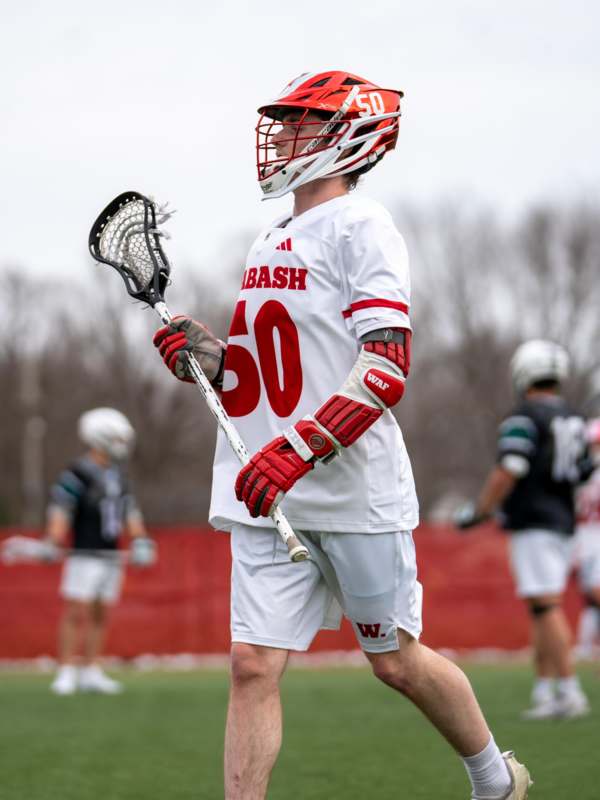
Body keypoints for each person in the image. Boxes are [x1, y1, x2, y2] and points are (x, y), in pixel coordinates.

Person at [154, 71, 531, 799]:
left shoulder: (364, 225)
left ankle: (495, 780)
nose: (281, 137)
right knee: (251, 664)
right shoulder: (271, 235)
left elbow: (384, 366)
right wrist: (210, 358)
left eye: (299, 122)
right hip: (267, 491)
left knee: (395, 662)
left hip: (349, 488)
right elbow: (266, 377)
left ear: (347, 137)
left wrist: (296, 452)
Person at [455, 340, 593, 719]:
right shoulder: (574, 417)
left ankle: (569, 691)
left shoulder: (525, 417)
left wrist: (481, 510)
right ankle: (545, 691)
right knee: (540, 607)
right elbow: (584, 470)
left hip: (535, 520)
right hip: (564, 520)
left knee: (546, 606)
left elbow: (511, 467)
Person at [48, 407, 154, 695]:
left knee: (100, 613)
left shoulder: (118, 475)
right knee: (76, 610)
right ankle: (66, 670)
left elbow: (129, 511)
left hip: (110, 554)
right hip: (84, 553)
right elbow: (61, 508)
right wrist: (54, 539)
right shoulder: (77, 473)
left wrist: (140, 540)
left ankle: (91, 669)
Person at [573, 418, 600, 658]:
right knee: (590, 597)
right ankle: (585, 646)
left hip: (596, 534)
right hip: (583, 536)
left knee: (596, 590)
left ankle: (586, 646)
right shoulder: (580, 472)